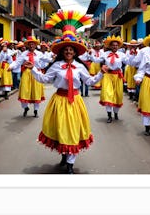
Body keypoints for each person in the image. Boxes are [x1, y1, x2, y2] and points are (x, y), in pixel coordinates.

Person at [24, 10, 108, 174]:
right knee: (61, 129)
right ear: (62, 51)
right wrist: (33, 69)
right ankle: (64, 154)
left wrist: (101, 73)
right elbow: (44, 79)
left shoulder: (80, 67)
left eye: (71, 49)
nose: (69, 52)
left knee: (73, 130)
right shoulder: (56, 66)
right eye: (66, 49)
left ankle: (70, 163)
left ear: (75, 52)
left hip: (75, 101)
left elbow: (89, 82)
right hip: (60, 101)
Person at [89, 35, 129, 123]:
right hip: (108, 75)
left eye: (116, 45)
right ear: (110, 46)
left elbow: (130, 62)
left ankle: (116, 113)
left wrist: (135, 55)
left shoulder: (122, 55)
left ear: (118, 46)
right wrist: (90, 55)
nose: (115, 46)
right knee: (107, 94)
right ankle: (109, 115)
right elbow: (96, 60)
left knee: (118, 95)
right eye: (113, 45)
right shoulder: (105, 54)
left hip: (118, 76)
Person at [8, 36, 48, 118]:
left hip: (36, 73)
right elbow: (17, 62)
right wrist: (11, 67)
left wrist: (55, 58)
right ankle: (25, 108)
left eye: (33, 44)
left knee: (36, 91)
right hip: (26, 73)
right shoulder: (24, 54)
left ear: (35, 45)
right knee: (24, 91)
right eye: (30, 44)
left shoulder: (39, 54)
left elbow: (48, 59)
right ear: (27, 45)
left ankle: (36, 110)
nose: (31, 46)